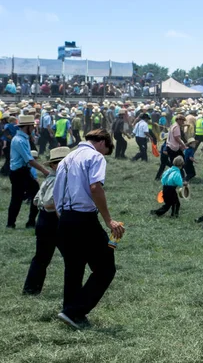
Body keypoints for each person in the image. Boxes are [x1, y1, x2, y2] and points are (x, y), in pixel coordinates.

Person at [53, 129, 124, 329]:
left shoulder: (66, 159)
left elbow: (56, 193)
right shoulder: (94, 157)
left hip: (65, 218)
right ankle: (74, 311)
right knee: (106, 268)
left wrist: (64, 216)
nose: (104, 156)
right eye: (106, 151)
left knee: (74, 269)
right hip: (84, 218)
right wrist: (109, 220)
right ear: (102, 142)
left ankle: (71, 314)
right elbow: (95, 188)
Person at [23, 147, 70, 295]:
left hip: (43, 220)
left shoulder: (48, 179)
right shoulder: (57, 180)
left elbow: (36, 201)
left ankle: (31, 289)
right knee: (71, 257)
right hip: (53, 221)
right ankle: (72, 290)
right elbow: (50, 202)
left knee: (41, 257)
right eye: (61, 163)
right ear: (53, 165)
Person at [7, 115, 49, 229]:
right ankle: (18, 223)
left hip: (22, 172)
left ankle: (23, 223)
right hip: (19, 173)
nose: (34, 129)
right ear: (28, 127)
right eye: (32, 126)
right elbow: (29, 160)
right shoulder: (20, 140)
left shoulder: (23, 138)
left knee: (28, 196)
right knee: (19, 198)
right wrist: (45, 171)